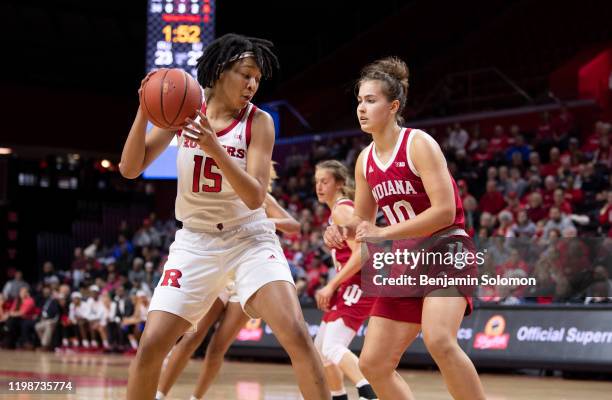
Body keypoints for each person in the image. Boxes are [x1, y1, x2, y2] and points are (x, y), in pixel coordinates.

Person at [119, 33, 327, 399]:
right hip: (195, 241)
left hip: (249, 238)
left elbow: (255, 196)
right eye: (245, 74)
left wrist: (214, 148)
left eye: (257, 79)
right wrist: (145, 109)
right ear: (218, 71)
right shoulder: (183, 109)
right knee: (151, 345)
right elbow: (130, 168)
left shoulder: (259, 122)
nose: (252, 84)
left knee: (295, 333)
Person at [325, 57, 486, 400]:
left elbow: (444, 212)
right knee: (373, 363)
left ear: (393, 106)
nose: (361, 108)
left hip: (446, 248)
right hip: (406, 261)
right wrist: (339, 229)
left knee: (440, 340)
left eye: (371, 100)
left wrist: (383, 233)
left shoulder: (418, 143)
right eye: (359, 101)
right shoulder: (364, 160)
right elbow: (361, 226)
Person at [155, 165, 301, 400]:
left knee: (217, 347)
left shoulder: (262, 197)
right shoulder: (220, 189)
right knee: (193, 335)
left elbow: (295, 226)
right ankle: (159, 395)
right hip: (219, 265)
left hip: (249, 267)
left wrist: (267, 222)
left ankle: (196, 398)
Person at [313, 160, 377, 400]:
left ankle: (370, 392)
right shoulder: (335, 212)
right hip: (350, 283)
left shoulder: (342, 210)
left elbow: (364, 252)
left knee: (331, 347)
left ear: (339, 183)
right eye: (316, 182)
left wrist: (331, 284)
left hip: (362, 283)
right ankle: (339, 396)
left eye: (325, 181)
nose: (319, 186)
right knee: (321, 350)